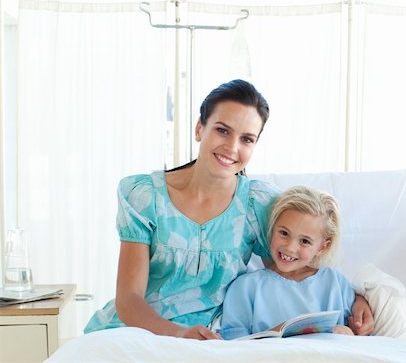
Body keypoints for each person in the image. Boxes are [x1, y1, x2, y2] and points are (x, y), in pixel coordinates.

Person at [84, 79, 373, 340]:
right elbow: (129, 298)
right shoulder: (144, 196)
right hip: (138, 330)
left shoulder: (258, 204)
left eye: (247, 139)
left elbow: (295, 266)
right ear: (200, 129)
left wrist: (356, 300)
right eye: (222, 130)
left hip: (216, 339)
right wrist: (178, 334)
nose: (232, 147)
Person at [220, 186, 356, 340]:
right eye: (284, 233)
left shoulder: (335, 282)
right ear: (272, 229)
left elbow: (359, 333)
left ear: (323, 247)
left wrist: (348, 332)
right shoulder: (246, 287)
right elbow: (232, 341)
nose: (290, 247)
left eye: (304, 241)